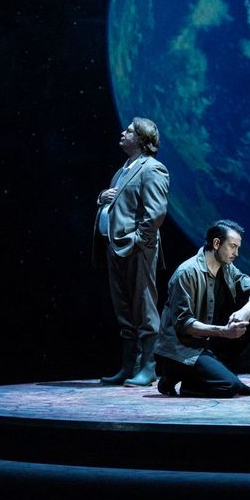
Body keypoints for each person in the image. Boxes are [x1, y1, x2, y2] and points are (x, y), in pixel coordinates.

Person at [93, 117, 170, 387]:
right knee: (124, 309)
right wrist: (101, 197)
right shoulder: (123, 169)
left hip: (136, 249)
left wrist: (138, 241)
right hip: (115, 247)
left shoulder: (152, 168)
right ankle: (129, 367)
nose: (123, 133)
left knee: (144, 307)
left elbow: (155, 213)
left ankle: (148, 368)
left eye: (129, 131)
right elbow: (117, 203)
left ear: (142, 139)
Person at [155, 220, 250, 398]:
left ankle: (226, 373)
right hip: (185, 348)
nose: (236, 253)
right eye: (232, 246)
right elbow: (184, 324)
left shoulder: (227, 268)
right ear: (216, 243)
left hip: (209, 341)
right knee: (228, 387)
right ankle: (179, 377)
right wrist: (224, 331)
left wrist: (245, 310)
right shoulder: (187, 272)